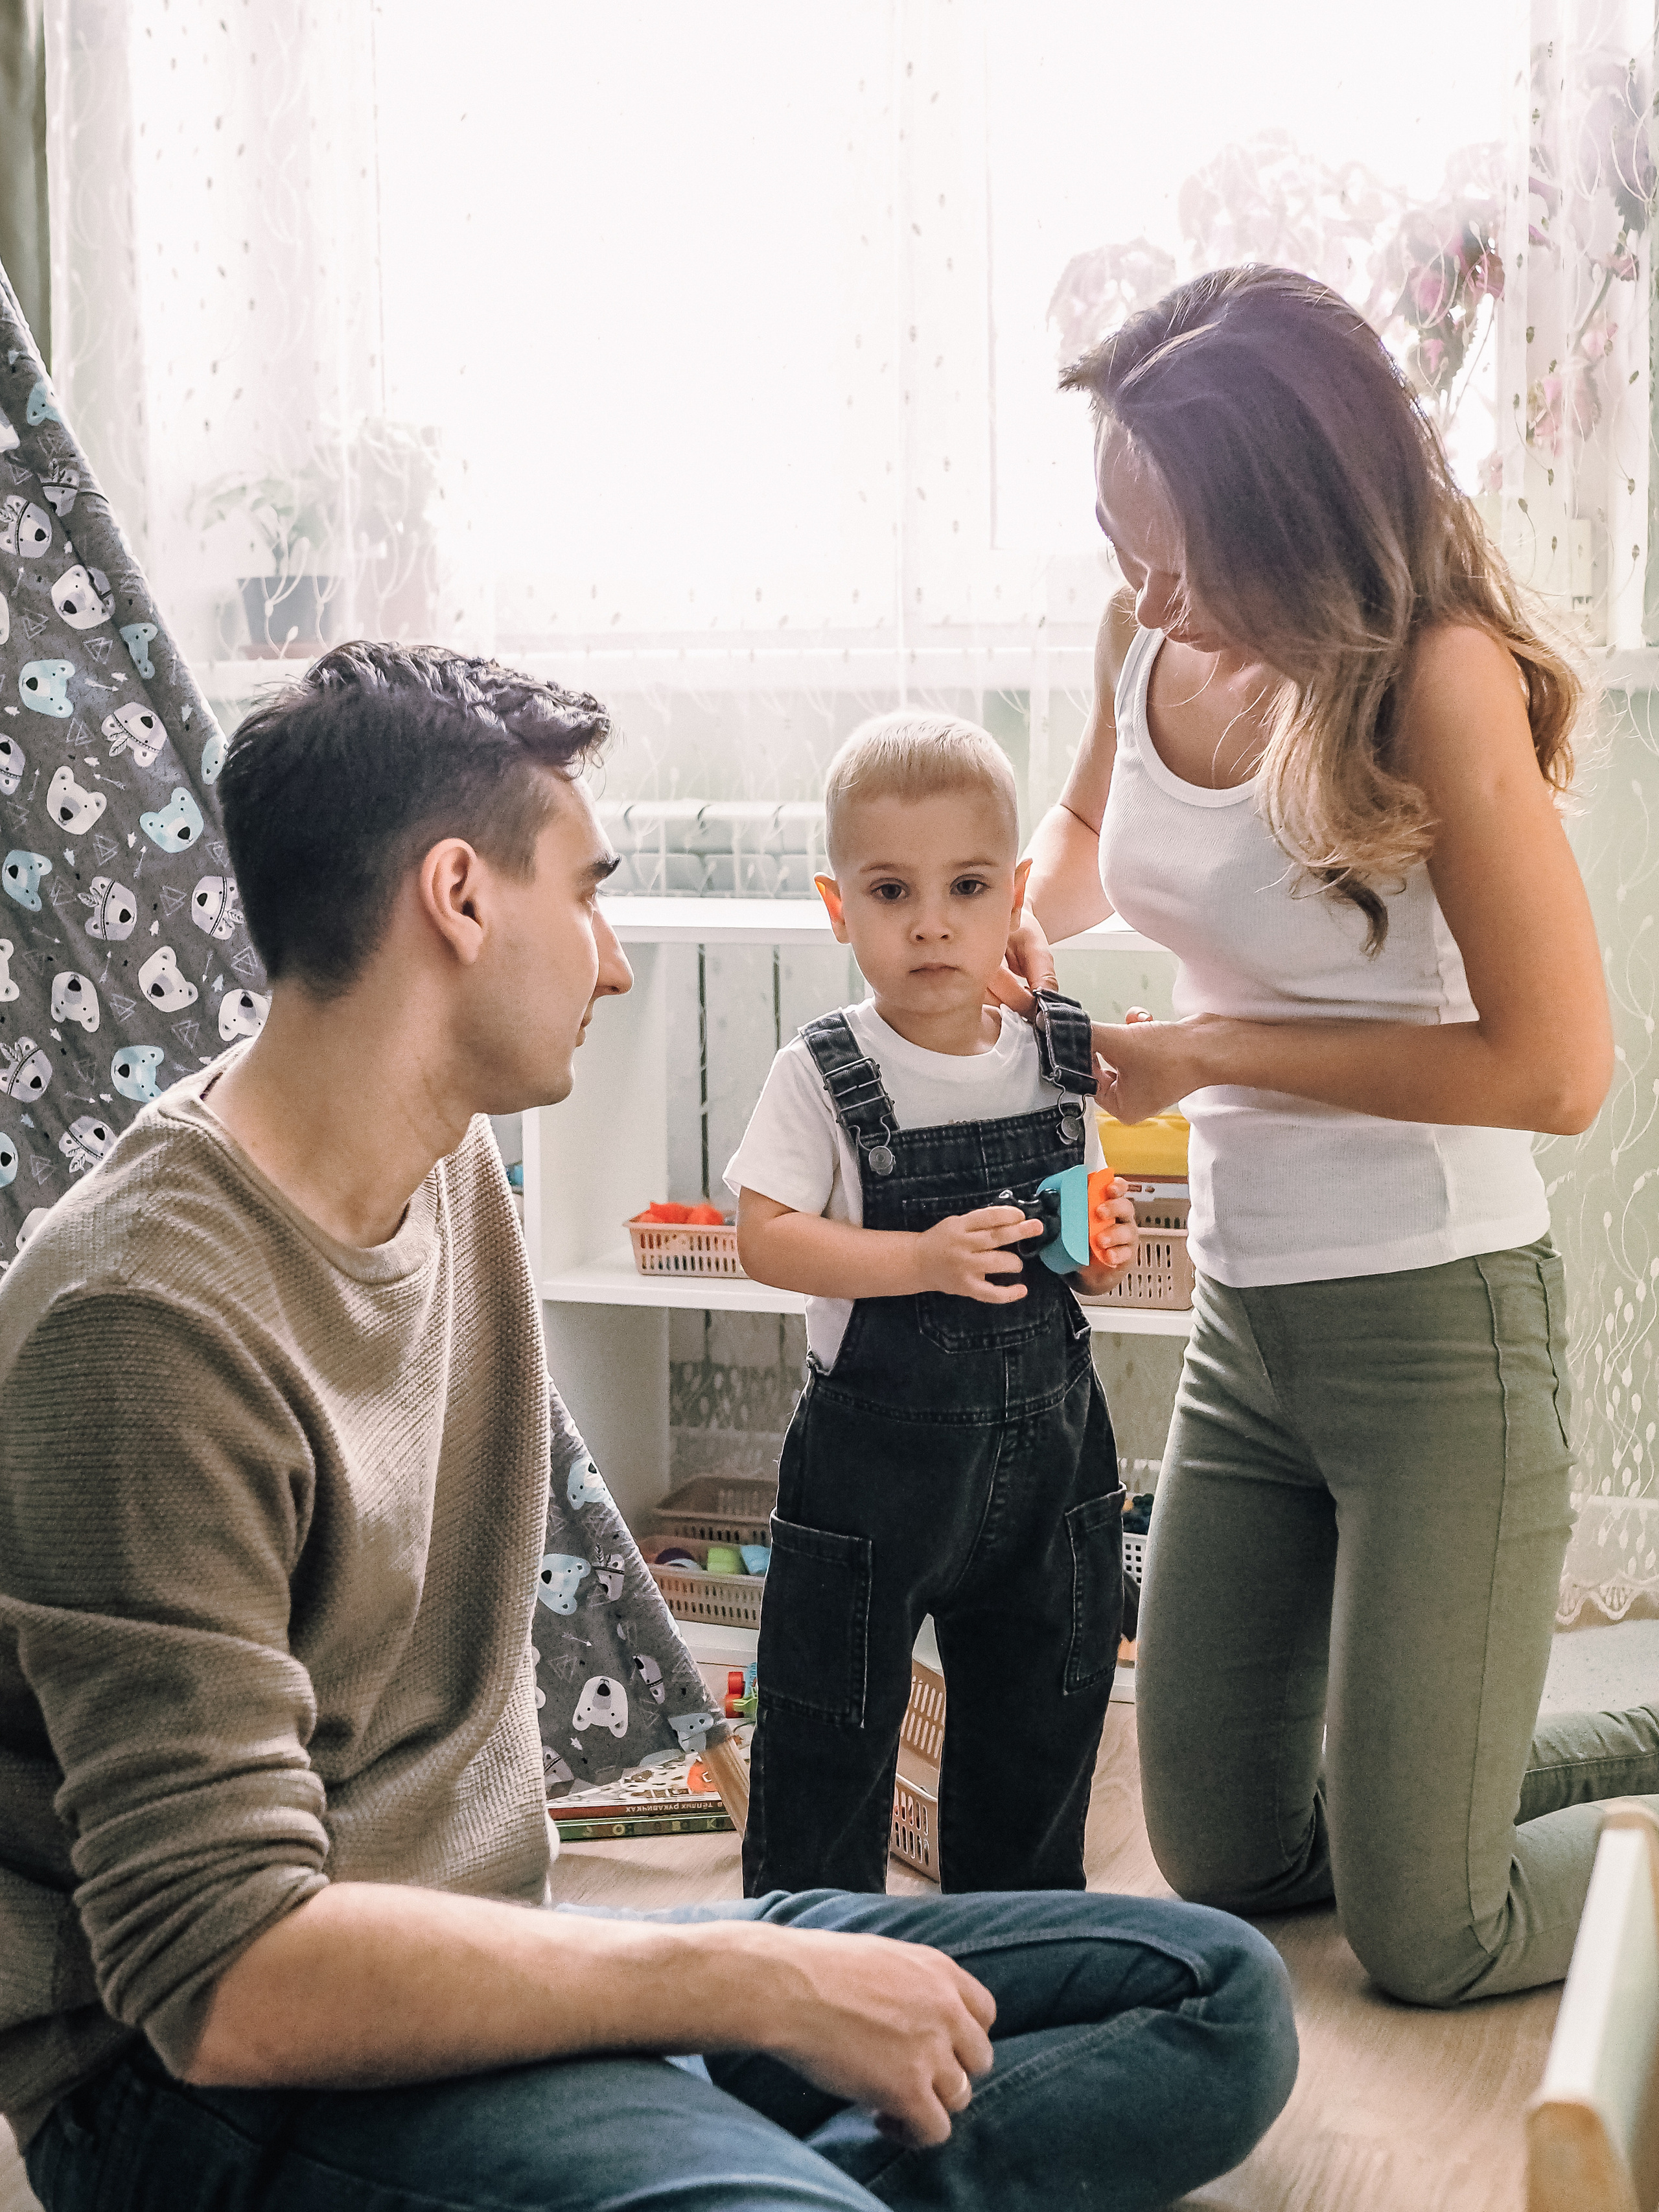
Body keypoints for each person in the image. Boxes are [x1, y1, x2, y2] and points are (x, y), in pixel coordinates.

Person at [0, 642, 1298, 2212]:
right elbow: (221, 1981)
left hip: (514, 1958)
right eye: (589, 893)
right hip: (223, 2082)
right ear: (462, 900)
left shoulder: (444, 1161)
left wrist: (718, 1979)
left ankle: (737, 2172)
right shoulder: (141, 1322)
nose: (612, 960)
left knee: (1212, 2000)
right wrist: (747, 1986)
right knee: (806, 2133)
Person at [1001, 261, 1653, 2007]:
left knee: (1433, 1933)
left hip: (1442, 1323)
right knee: (1229, 1848)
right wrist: (1010, 919)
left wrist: (1209, 1051)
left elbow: (1557, 1068)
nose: (1145, 590)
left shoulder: (1439, 678)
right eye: (1119, 540)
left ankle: (1467, 1823)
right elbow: (1082, 828)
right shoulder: (1144, 632)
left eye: (1184, 554)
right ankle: (1438, 1794)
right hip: (1252, 1325)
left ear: (1298, 522)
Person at [729, 713, 1141, 1898]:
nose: (930, 922)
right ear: (836, 904)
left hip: (1050, 1472)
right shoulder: (823, 1071)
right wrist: (920, 1258)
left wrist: (1098, 1247)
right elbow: (765, 1238)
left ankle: (1015, 1965)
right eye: (891, 890)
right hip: (873, 1482)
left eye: (966, 887)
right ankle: (804, 1998)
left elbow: (1084, 1228)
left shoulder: (1056, 1055)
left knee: (1037, 1735)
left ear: (1015, 891)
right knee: (828, 1734)